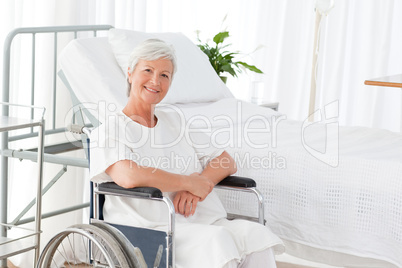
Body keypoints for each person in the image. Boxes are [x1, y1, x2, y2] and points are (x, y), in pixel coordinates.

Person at [90, 38, 284, 268]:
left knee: (255, 234)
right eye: (148, 70)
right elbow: (128, 176)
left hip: (200, 220)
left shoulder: (175, 121)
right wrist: (187, 182)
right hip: (152, 228)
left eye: (164, 75)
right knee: (217, 241)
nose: (155, 81)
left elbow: (226, 161)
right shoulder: (110, 129)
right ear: (130, 73)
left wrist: (201, 184)